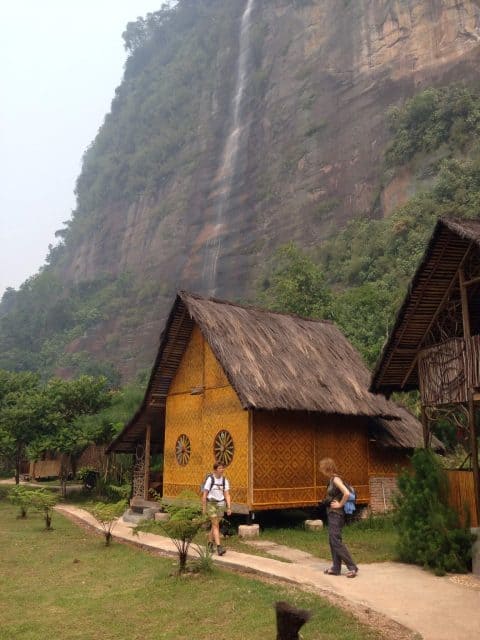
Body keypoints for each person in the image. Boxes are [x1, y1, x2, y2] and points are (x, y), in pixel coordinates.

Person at [318, 457, 358, 578]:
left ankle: (352, 567)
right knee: (332, 540)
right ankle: (336, 568)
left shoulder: (335, 479)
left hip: (336, 514)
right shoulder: (332, 479)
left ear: (327, 468)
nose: (321, 470)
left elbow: (346, 493)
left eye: (322, 468)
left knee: (335, 540)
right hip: (332, 513)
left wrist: (340, 504)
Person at [202, 461, 232, 556]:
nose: (222, 470)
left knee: (215, 525)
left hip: (221, 504)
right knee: (216, 525)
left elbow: (227, 494)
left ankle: (210, 543)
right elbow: (205, 494)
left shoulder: (224, 481)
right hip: (211, 503)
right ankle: (219, 547)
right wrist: (204, 508)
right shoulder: (210, 479)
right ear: (215, 470)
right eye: (219, 468)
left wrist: (229, 507)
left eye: (222, 468)